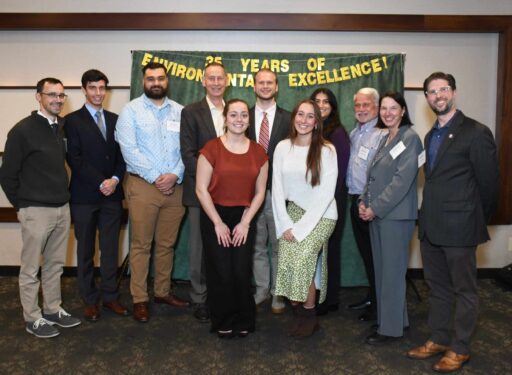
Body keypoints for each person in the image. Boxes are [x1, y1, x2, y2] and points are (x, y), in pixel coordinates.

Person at [407, 72, 499, 373]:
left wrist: (475, 220)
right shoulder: (430, 134)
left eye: (443, 89)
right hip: (431, 226)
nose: (438, 96)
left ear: (454, 92)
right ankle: (439, 338)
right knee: (437, 287)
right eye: (431, 92)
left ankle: (460, 348)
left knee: (464, 290)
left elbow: (488, 184)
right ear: (427, 98)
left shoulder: (476, 131)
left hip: (461, 227)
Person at [0, 77, 81, 338]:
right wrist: (22, 206)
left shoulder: (60, 127)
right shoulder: (22, 130)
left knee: (55, 265)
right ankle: (32, 317)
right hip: (35, 210)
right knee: (31, 268)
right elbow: (7, 174)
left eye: (61, 95)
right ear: (39, 97)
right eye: (51, 95)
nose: (57, 100)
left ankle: (52, 308)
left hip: (61, 207)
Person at [115, 61, 189, 323]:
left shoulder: (180, 112)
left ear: (166, 81)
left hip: (175, 188)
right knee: (141, 244)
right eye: (150, 79)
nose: (155, 83)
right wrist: (157, 177)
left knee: (167, 244)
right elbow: (128, 149)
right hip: (143, 186)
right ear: (144, 82)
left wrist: (175, 175)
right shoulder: (131, 111)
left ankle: (162, 291)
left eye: (160, 78)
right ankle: (139, 298)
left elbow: (187, 149)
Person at [196, 99, 268, 338]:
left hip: (244, 217)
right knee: (221, 271)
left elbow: (259, 193)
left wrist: (246, 222)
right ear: (225, 118)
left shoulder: (259, 152)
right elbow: (201, 189)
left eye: (244, 116)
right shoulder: (211, 148)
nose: (239, 120)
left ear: (249, 120)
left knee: (240, 270)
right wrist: (217, 223)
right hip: (214, 215)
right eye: (234, 115)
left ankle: (244, 319)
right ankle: (223, 320)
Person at [358, 91, 423, 344]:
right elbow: (372, 174)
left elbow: (401, 181)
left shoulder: (410, 139)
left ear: (403, 111)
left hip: (395, 217)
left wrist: (376, 207)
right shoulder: (387, 138)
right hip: (379, 215)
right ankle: (396, 320)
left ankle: (390, 330)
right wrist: (364, 201)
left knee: (392, 274)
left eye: (393, 108)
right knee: (384, 271)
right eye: (384, 108)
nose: (387, 113)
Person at [64, 69, 128, 322]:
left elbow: (123, 156)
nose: (98, 93)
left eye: (102, 88)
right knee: (86, 251)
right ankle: (90, 300)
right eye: (93, 88)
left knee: (110, 249)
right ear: (83, 90)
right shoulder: (71, 121)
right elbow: (74, 158)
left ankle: (111, 296)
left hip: (112, 196)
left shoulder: (115, 119)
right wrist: (100, 181)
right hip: (84, 197)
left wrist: (114, 180)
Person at [272, 99, 338, 338]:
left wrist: (299, 230)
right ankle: (300, 314)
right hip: (291, 213)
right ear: (294, 118)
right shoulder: (282, 147)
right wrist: (285, 224)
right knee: (288, 261)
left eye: (311, 116)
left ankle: (309, 315)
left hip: (322, 215)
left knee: (302, 261)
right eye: (300, 115)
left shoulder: (327, 150)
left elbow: (325, 194)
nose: (304, 120)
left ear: (317, 122)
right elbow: (277, 189)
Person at [181, 62, 228, 322]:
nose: (216, 82)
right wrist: (208, 183)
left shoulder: (235, 111)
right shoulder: (191, 112)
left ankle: (220, 294)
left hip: (230, 195)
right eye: (211, 78)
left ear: (227, 80)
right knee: (198, 250)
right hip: (200, 194)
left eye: (220, 78)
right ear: (203, 81)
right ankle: (199, 298)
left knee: (224, 248)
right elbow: (188, 155)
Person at [248, 68, 291, 314]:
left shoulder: (288, 119)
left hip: (278, 194)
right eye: (260, 82)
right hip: (250, 193)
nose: (265, 86)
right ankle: (262, 290)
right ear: (254, 86)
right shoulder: (243, 116)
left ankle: (278, 294)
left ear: (276, 87)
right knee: (255, 245)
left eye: (270, 83)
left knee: (278, 246)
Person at [346, 87, 386, 321]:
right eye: (358, 105)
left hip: (371, 205)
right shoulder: (354, 133)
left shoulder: (382, 135)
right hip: (355, 200)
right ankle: (373, 296)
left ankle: (380, 305)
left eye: (366, 105)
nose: (361, 110)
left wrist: (369, 202)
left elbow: (382, 174)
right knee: (367, 255)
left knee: (376, 257)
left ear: (377, 107)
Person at [310, 88, 350, 315]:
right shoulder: (312, 129)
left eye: (326, 102)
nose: (322, 105)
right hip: (313, 201)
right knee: (315, 250)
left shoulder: (338, 134)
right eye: (317, 101)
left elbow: (340, 173)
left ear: (333, 106)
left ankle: (330, 298)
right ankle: (314, 295)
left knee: (329, 249)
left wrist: (324, 202)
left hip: (332, 201)